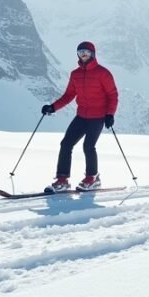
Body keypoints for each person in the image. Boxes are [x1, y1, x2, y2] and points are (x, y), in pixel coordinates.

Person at [41, 41, 119, 192]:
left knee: (88, 146)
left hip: (98, 117)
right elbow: (69, 95)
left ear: (93, 54)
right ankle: (62, 180)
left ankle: (93, 178)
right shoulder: (75, 74)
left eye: (87, 52)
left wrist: (110, 114)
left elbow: (112, 95)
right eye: (80, 52)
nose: (83, 55)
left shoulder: (103, 73)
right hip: (82, 116)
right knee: (66, 144)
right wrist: (53, 107)